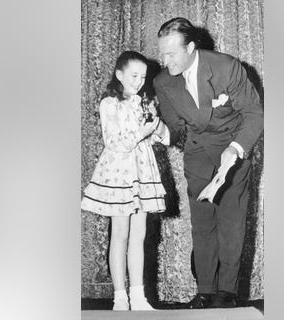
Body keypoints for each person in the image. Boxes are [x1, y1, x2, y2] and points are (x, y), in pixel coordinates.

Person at [151, 17, 263, 308]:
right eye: (162, 53)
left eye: (171, 54)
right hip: (198, 153)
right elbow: (176, 129)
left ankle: (226, 293)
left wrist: (236, 148)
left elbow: (254, 113)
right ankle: (204, 291)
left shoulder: (226, 67)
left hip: (232, 152)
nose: (165, 60)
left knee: (231, 223)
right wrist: (160, 131)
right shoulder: (163, 82)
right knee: (202, 226)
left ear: (190, 47)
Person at [81, 51, 168, 311]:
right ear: (119, 75)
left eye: (143, 76)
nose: (139, 81)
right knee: (119, 234)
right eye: (134, 75)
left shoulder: (143, 102)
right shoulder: (110, 103)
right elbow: (114, 142)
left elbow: (159, 138)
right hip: (119, 174)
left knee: (138, 236)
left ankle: (138, 296)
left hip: (142, 173)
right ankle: (120, 297)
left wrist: (156, 125)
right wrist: (142, 130)